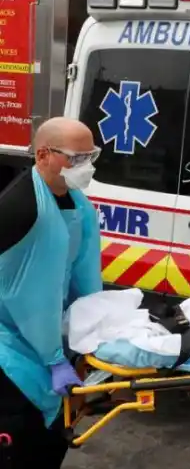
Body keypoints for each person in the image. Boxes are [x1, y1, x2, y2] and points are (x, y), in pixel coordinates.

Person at [0, 117, 103, 468]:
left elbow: (84, 273)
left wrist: (93, 332)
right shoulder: (25, 209)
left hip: (45, 340)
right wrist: (55, 358)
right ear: (43, 155)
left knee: (51, 440)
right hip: (10, 344)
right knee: (20, 443)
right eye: (76, 158)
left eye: (91, 156)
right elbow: (33, 297)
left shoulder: (77, 204)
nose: (85, 167)